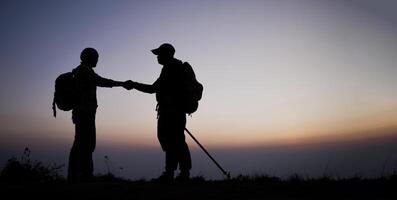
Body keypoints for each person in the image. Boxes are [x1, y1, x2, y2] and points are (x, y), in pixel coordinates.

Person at [126, 43, 193, 182]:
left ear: (166, 54)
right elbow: (153, 88)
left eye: (159, 54)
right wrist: (134, 85)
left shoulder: (172, 68)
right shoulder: (168, 68)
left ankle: (179, 173)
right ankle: (174, 172)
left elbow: (155, 89)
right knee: (171, 141)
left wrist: (134, 85)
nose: (157, 57)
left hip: (172, 112)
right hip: (170, 112)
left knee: (176, 141)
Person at [68, 47, 130, 182]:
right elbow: (101, 81)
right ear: (89, 57)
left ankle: (78, 175)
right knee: (85, 143)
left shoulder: (83, 70)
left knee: (81, 143)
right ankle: (84, 175)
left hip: (84, 113)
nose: (97, 60)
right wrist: (121, 84)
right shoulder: (84, 71)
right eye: (96, 57)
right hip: (84, 113)